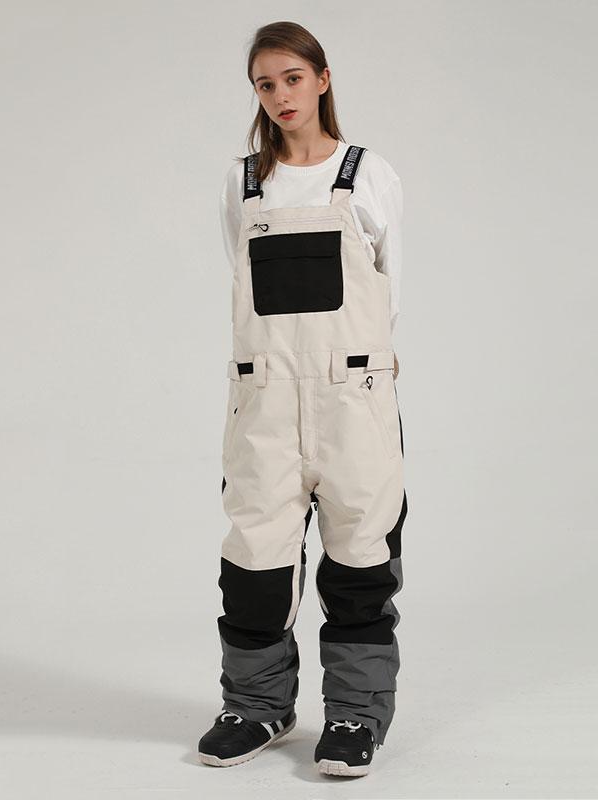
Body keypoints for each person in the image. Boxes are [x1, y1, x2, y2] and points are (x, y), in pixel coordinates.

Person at [198, 20, 408, 778]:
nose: (281, 95)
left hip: (354, 398)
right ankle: (257, 706)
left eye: (293, 77)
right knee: (255, 559)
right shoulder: (244, 182)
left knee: (360, 557)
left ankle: (355, 713)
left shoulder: (369, 173)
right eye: (266, 83)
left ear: (322, 78)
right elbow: (239, 276)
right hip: (263, 401)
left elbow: (391, 287)